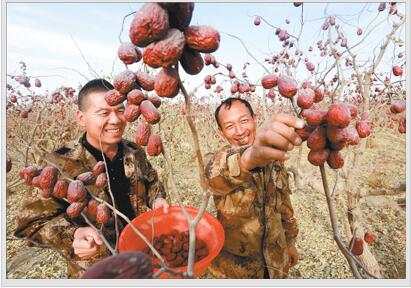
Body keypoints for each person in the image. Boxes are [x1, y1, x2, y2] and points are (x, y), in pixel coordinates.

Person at [14, 79, 168, 278]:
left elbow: (152, 182)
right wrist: (73, 236)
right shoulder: (56, 164)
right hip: (99, 270)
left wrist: (157, 199)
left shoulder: (134, 151)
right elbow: (30, 225)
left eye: (120, 111)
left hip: (145, 253)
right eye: (104, 113)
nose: (115, 120)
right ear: (81, 118)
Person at [204, 97, 303, 279]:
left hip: (275, 263)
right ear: (221, 132)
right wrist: (249, 159)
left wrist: (290, 242)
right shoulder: (217, 161)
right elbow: (212, 176)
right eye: (230, 126)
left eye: (244, 121)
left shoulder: (274, 158)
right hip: (235, 270)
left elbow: (283, 205)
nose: (240, 131)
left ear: (254, 119)